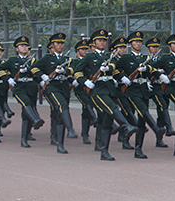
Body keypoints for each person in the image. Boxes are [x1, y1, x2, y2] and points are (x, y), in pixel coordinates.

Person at [73, 29, 138, 161]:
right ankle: (126, 126)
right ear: (94, 43)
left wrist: (121, 78)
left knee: (107, 121)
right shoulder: (89, 57)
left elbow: (113, 67)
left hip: (109, 89)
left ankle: (104, 151)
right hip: (97, 91)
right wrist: (85, 81)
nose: (102, 42)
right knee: (112, 107)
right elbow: (77, 71)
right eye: (99, 41)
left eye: (103, 41)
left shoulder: (110, 56)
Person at [116, 31, 166, 159]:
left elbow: (151, 70)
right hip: (132, 90)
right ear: (130, 44)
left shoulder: (145, 58)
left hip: (143, 89)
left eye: (139, 42)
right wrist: (122, 78)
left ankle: (138, 149)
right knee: (142, 111)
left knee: (141, 121)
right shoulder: (126, 58)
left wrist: (158, 75)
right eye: (135, 42)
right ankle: (155, 128)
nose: (138, 44)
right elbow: (114, 68)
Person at [31, 32, 76, 154]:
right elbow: (34, 68)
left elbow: (73, 69)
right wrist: (43, 76)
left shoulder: (67, 59)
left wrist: (64, 70)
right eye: (58, 43)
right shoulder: (47, 58)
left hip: (64, 87)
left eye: (62, 43)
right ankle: (70, 129)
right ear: (53, 45)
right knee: (62, 105)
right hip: (52, 87)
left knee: (60, 115)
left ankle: (60, 144)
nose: (60, 45)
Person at [0, 36, 45, 148]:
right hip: (19, 88)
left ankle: (26, 136)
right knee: (26, 103)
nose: (24, 48)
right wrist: (8, 78)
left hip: (31, 87)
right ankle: (35, 120)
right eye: (21, 46)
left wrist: (40, 81)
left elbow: (37, 72)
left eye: (26, 46)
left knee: (26, 113)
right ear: (17, 48)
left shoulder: (32, 61)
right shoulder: (12, 60)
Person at [146, 36, 175, 147]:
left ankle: (160, 139)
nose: (155, 49)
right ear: (148, 49)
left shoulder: (161, 59)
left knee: (161, 110)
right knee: (144, 112)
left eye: (157, 47)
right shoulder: (145, 59)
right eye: (153, 47)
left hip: (158, 87)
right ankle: (169, 127)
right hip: (147, 86)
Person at [71, 38, 98, 145]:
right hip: (80, 89)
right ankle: (94, 120)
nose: (84, 51)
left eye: (86, 49)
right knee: (87, 104)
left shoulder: (90, 59)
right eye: (82, 49)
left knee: (86, 110)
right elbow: (71, 72)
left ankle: (85, 133)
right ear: (77, 51)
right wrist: (74, 81)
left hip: (90, 88)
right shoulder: (73, 61)